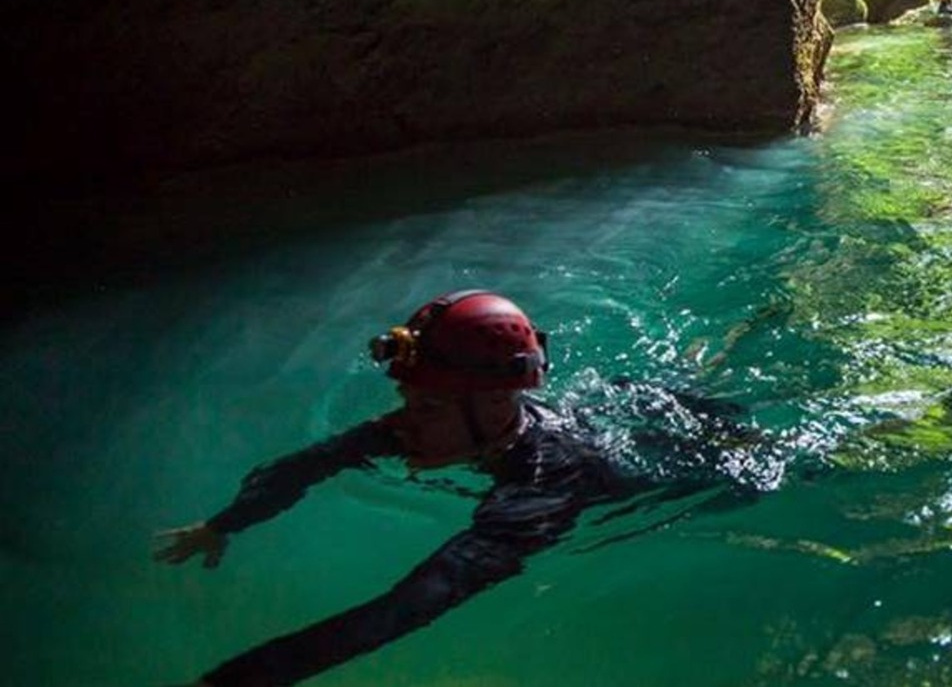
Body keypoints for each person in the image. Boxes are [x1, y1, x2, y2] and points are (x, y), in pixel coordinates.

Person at [153, 290, 648, 686]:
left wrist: (242, 678)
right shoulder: (447, 422)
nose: (401, 423)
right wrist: (223, 524)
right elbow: (311, 463)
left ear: (497, 403)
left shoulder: (547, 483)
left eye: (427, 407)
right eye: (407, 399)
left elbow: (412, 603)